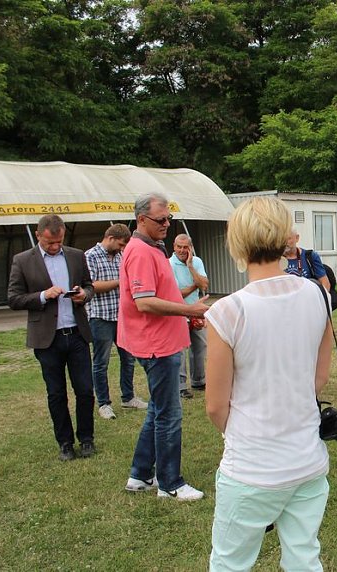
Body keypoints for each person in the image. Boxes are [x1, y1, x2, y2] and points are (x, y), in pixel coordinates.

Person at [205, 196, 333, 571]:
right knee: (304, 557)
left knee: (229, 563)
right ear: (285, 238)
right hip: (307, 461)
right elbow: (318, 378)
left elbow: (216, 405)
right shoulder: (317, 294)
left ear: (238, 243)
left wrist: (246, 433)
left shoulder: (228, 311)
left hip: (251, 468)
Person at [119, 193, 209, 501]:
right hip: (157, 346)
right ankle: (170, 483)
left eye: (168, 218)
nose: (167, 224)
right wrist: (190, 311)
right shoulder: (141, 252)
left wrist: (188, 314)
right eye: (161, 220)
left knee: (158, 409)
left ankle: (141, 475)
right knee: (169, 414)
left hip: (162, 341)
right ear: (141, 220)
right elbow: (144, 302)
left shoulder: (149, 247)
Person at [7, 214, 96, 461]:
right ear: (38, 236)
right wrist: (43, 296)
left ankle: (87, 439)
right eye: (50, 243)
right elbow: (13, 298)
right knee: (56, 393)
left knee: (86, 390)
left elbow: (89, 286)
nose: (55, 247)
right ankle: (65, 443)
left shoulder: (77, 255)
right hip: (48, 339)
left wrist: (84, 295)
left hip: (77, 333)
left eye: (59, 242)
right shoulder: (23, 260)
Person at [85, 223, 145, 420]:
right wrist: (121, 281)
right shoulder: (90, 256)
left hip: (122, 317)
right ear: (109, 238)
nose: (121, 249)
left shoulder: (121, 256)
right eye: (120, 244)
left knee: (128, 359)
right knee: (101, 363)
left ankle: (128, 397)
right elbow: (92, 286)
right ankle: (103, 403)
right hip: (100, 316)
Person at [170, 233, 209, 399]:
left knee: (200, 347)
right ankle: (180, 386)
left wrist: (191, 266)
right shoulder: (168, 264)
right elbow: (176, 293)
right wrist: (195, 285)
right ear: (174, 246)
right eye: (179, 246)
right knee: (180, 350)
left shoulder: (197, 261)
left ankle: (198, 381)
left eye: (185, 247)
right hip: (178, 310)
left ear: (190, 248)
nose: (182, 250)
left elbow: (205, 285)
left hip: (196, 310)